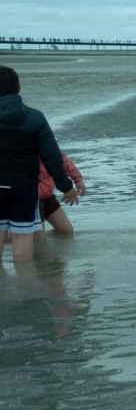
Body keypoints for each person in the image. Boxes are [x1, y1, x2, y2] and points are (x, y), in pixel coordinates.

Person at [0, 66, 79, 264]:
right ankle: (27, 291)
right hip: (24, 189)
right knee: (22, 242)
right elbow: (52, 156)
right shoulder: (35, 117)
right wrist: (66, 186)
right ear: (18, 88)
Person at [37, 153, 85, 235]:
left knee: (66, 232)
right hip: (29, 200)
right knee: (38, 237)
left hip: (48, 197)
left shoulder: (45, 144)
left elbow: (62, 159)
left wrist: (78, 179)